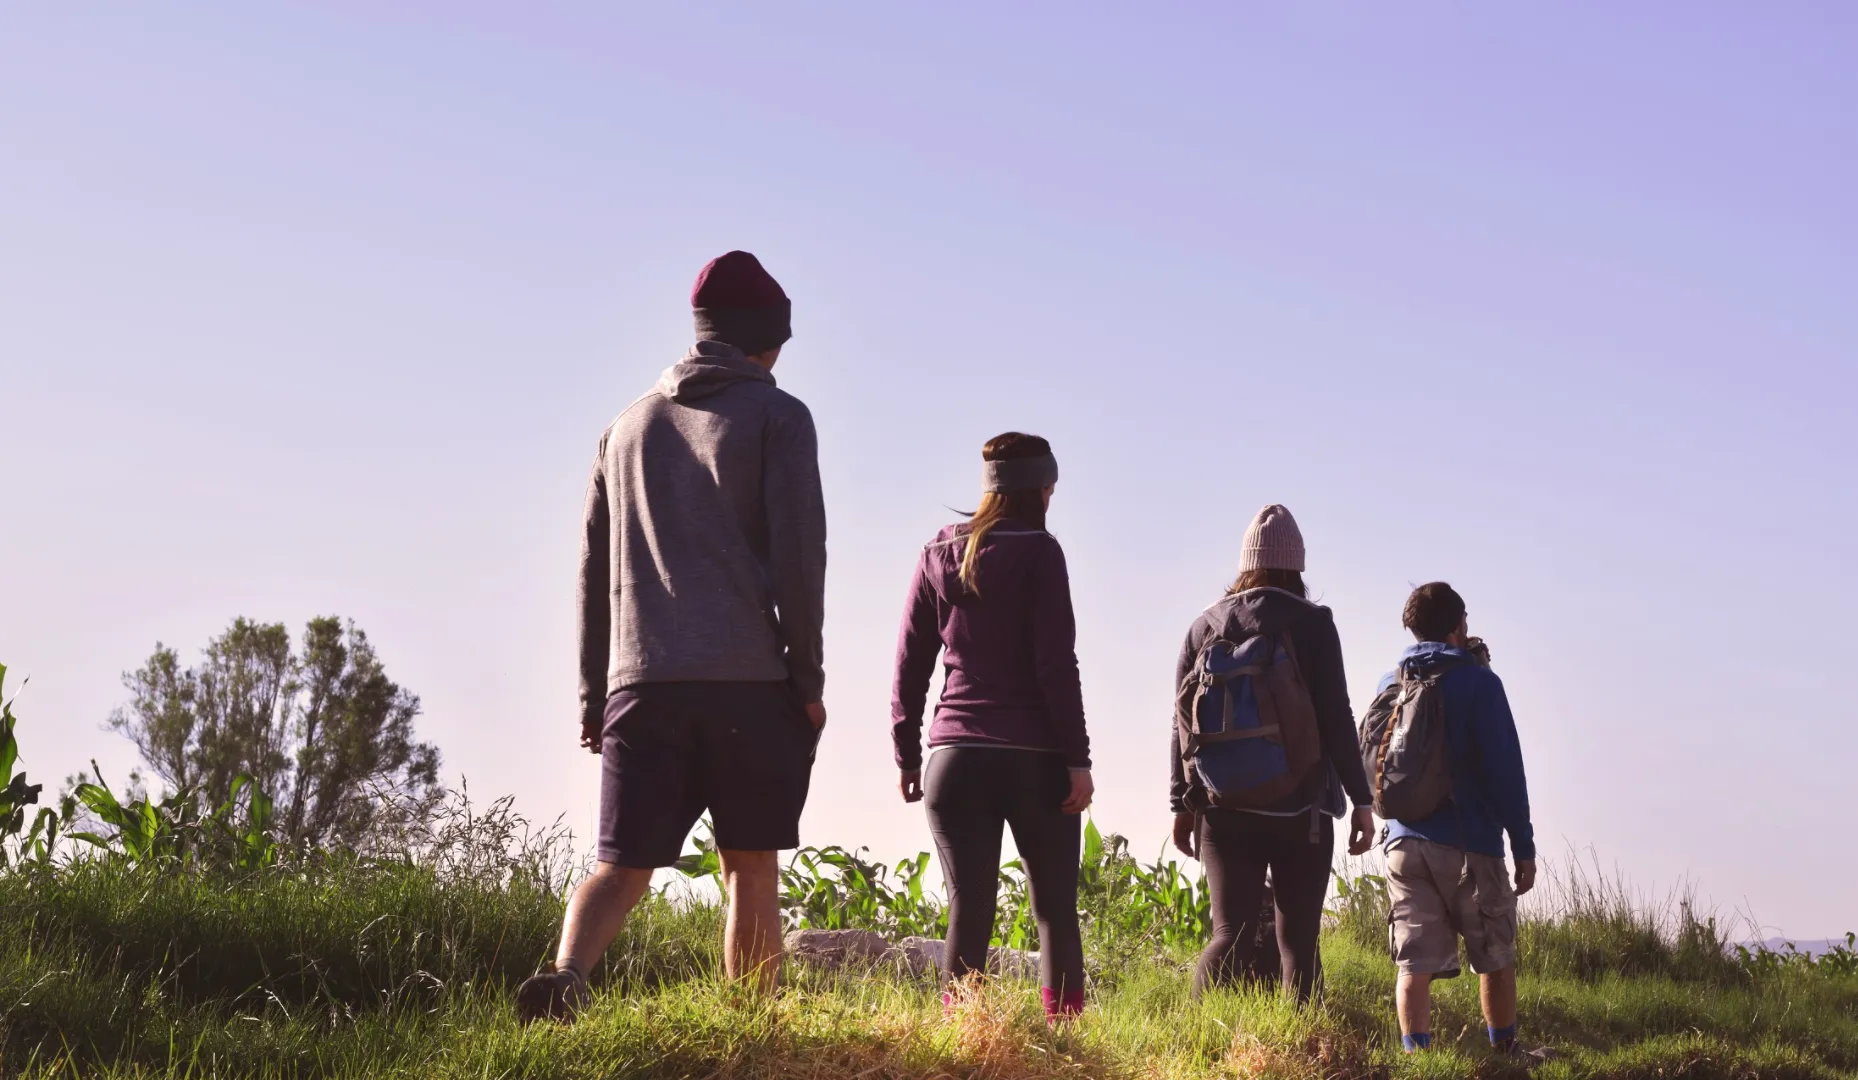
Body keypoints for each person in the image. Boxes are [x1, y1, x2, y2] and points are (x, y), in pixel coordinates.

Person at [517, 251, 828, 1023]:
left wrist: (596, 691)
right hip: (747, 681)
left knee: (619, 868)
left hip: (640, 681)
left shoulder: (624, 429)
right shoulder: (779, 418)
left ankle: (566, 975)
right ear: (770, 338)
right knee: (749, 868)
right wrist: (808, 680)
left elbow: (595, 574)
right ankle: (748, 1030)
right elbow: (799, 560)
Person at [891, 432, 1093, 1021]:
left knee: (969, 905)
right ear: (1041, 489)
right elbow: (1057, 663)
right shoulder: (1040, 551)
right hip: (1035, 757)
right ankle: (1064, 1042)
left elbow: (909, 662)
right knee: (1054, 909)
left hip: (954, 757)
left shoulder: (939, 551)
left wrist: (906, 754)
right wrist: (1077, 759)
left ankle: (964, 1036)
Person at [1170, 504, 1376, 1002]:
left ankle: (1191, 1044)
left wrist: (1181, 804)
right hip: (1298, 806)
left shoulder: (1204, 627)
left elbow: (1179, 723)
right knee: (1298, 942)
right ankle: (1301, 1054)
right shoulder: (1313, 624)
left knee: (1229, 936)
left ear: (1245, 562)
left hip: (1221, 807)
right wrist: (1361, 799)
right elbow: (1335, 715)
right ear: (1297, 567)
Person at [1378, 582, 1536, 1055]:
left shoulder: (1392, 682)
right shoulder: (1481, 683)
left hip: (1403, 843)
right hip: (1471, 845)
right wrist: (1523, 846)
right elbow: (1506, 769)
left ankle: (1417, 1059)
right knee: (1494, 957)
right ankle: (1505, 1054)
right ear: (1458, 624)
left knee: (1413, 964)